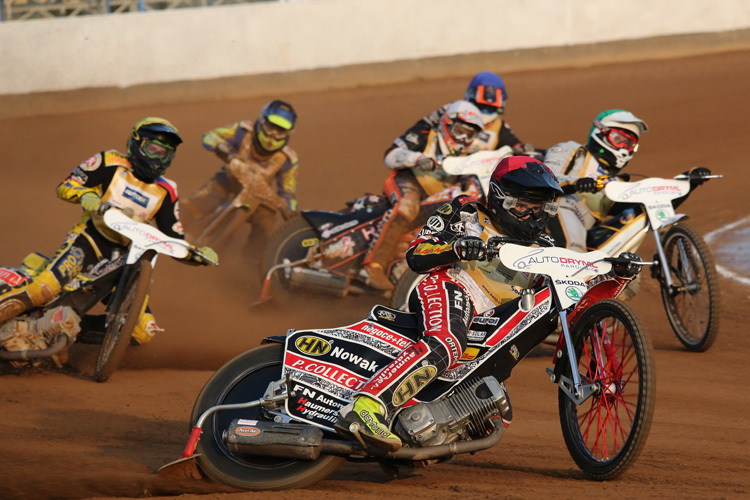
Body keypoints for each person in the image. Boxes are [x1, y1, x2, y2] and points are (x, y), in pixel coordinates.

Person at [337, 155, 565, 451]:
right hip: (453, 285)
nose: (532, 216)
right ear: (501, 197)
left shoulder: (544, 246)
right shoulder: (467, 211)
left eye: (539, 209)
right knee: (447, 341)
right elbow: (416, 254)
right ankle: (365, 407)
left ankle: (418, 430)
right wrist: (456, 247)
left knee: (491, 406)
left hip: (493, 320)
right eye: (523, 206)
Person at [0, 117, 217, 346]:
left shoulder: (167, 190)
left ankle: (61, 331)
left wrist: (196, 254)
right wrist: (86, 195)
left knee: (142, 331)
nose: (156, 157)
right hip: (89, 241)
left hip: (127, 262)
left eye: (164, 153)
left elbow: (173, 239)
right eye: (152, 149)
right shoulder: (109, 161)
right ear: (136, 143)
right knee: (44, 288)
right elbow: (67, 185)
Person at [362, 99, 485, 290]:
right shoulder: (425, 135)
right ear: (448, 124)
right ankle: (374, 266)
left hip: (434, 198)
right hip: (408, 181)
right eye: (460, 131)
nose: (463, 138)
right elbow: (390, 155)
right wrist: (417, 159)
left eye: (470, 135)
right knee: (407, 206)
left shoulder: (471, 153)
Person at [180, 100, 299, 242]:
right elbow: (209, 136)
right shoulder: (243, 132)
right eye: (270, 127)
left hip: (258, 197)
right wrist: (223, 148)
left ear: (288, 133)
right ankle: (158, 231)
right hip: (225, 184)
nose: (273, 135)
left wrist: (291, 211)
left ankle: (254, 260)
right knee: (191, 207)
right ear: (261, 122)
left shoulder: (287, 159)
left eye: (280, 131)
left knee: (266, 222)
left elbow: (288, 193)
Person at [543, 109, 649, 252]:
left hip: (589, 233)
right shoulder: (574, 150)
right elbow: (547, 177)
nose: (623, 148)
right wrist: (578, 182)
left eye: (629, 144)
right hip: (557, 212)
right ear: (600, 132)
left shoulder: (618, 181)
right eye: (618, 139)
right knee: (573, 248)